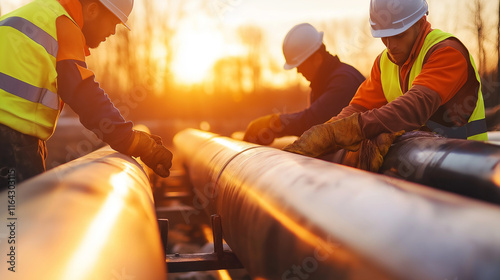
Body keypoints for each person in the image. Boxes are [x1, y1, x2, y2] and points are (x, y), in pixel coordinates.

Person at [284, 0, 487, 171]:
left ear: (421, 22)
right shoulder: (384, 63)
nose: (391, 46)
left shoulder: (447, 53)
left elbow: (415, 106)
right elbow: (357, 109)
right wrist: (325, 134)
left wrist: (358, 128)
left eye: (398, 35)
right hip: (421, 170)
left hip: (471, 170)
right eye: (384, 37)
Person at [0, 0, 172, 187]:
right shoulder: (62, 23)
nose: (113, 32)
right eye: (113, 22)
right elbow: (82, 92)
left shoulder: (28, 16)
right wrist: (132, 141)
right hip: (10, 142)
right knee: (18, 214)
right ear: (92, 10)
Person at [243, 23, 365, 145]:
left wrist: (274, 123)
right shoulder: (322, 84)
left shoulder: (344, 81)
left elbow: (313, 120)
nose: (298, 71)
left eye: (300, 65)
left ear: (317, 59)